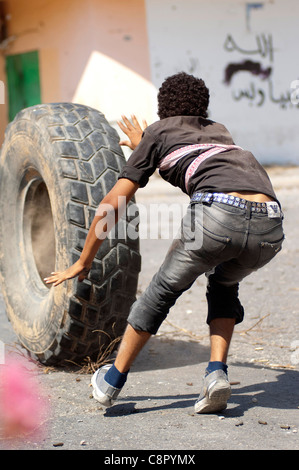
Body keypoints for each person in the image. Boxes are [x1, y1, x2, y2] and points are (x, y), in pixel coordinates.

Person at [45, 72, 284, 414]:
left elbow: (113, 203)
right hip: (270, 225)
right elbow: (188, 153)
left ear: (162, 110)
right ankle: (216, 374)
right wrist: (145, 143)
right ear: (203, 108)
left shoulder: (158, 132)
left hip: (219, 217)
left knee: (161, 293)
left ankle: (111, 380)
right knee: (223, 283)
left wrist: (83, 261)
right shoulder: (220, 131)